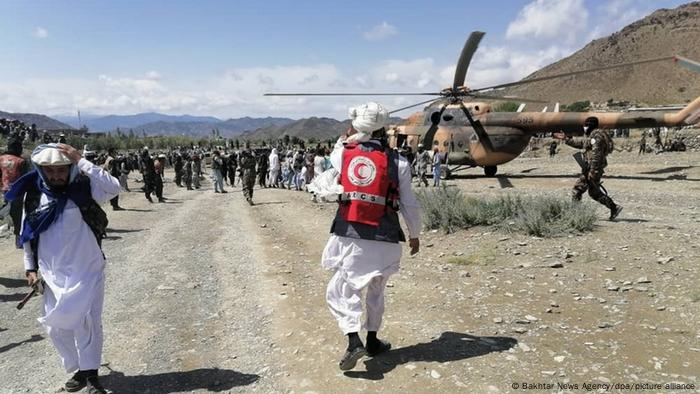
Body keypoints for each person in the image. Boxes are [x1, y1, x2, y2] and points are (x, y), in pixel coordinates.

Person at [5, 143, 120, 394]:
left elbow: (114, 187)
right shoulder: (34, 195)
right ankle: (79, 367)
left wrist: (80, 159)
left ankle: (90, 375)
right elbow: (28, 233)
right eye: (50, 170)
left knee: (88, 323)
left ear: (71, 169)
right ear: (41, 170)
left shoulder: (85, 188)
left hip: (87, 268)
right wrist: (30, 268)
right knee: (56, 326)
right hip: (52, 271)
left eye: (61, 169)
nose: (56, 175)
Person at [321, 102, 421, 371]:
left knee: (342, 290)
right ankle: (373, 341)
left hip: (351, 235)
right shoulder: (398, 161)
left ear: (357, 127)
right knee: (377, 290)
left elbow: (337, 151)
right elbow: (409, 203)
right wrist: (414, 234)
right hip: (386, 236)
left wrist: (347, 135)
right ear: (384, 128)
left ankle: (354, 341)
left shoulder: (343, 154)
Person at [554, 117, 623, 220]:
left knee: (577, 190)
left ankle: (576, 215)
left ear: (590, 125)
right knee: (594, 193)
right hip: (591, 168)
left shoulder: (597, 137)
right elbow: (581, 143)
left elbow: (597, 155)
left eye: (586, 124)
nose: (584, 127)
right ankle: (614, 207)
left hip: (593, 169)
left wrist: (593, 170)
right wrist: (566, 139)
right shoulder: (592, 136)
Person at [0, 133, 29, 246]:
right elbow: (25, 178)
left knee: (9, 211)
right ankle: (19, 240)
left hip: (5, 190)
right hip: (18, 192)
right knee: (18, 216)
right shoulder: (21, 161)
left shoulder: (1, 159)